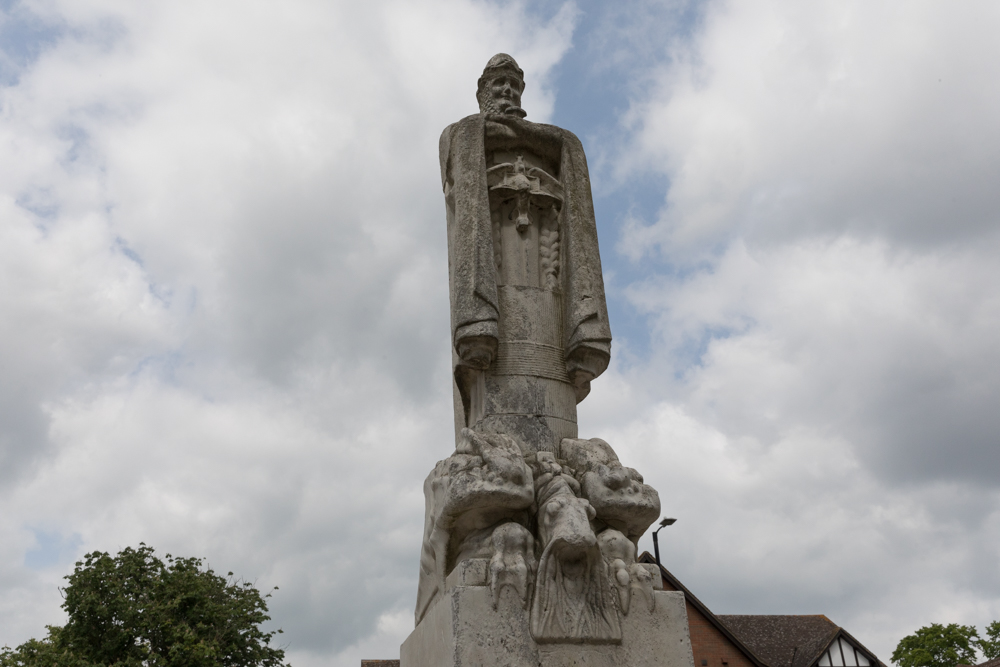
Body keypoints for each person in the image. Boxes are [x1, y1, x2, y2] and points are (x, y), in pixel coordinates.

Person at [439, 54, 612, 453]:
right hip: (495, 280)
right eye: (498, 84)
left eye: (514, 85)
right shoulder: (464, 134)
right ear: (482, 92)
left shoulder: (557, 141)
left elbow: (566, 144)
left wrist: (521, 137)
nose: (507, 91)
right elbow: (457, 153)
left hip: (547, 280)